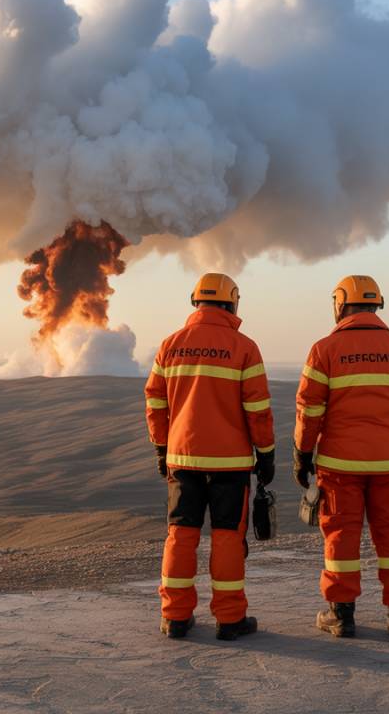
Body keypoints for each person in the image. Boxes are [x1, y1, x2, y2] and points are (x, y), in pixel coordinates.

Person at [293, 275, 389, 638]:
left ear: (339, 304)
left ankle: (341, 616)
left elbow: (309, 411)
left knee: (340, 537)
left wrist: (302, 456)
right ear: (377, 305)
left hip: (339, 466)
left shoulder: (323, 350)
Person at [144, 273, 275, 641]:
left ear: (194, 301)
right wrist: (265, 455)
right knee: (227, 538)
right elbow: (258, 410)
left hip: (182, 459)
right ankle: (230, 620)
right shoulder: (244, 347)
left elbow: (154, 400)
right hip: (231, 465)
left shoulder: (171, 344)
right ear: (233, 303)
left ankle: (175, 617)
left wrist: (161, 446)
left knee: (180, 536)